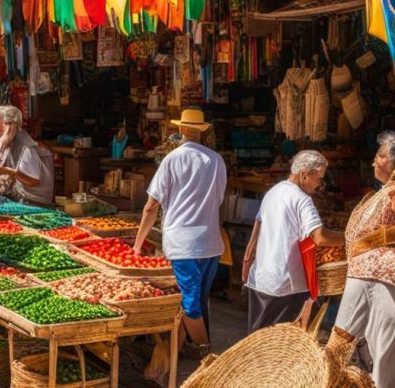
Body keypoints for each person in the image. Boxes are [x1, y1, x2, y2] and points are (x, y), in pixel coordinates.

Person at [133, 107, 227, 357]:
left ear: (182, 129)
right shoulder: (216, 160)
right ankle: (189, 346)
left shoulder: (172, 160)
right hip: (210, 243)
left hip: (183, 243)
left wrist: (137, 244)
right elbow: (218, 200)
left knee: (190, 304)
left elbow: (151, 206)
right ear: (201, 131)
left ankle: (207, 355)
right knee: (199, 297)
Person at [242, 151, 344, 332]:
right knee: (282, 344)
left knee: (258, 339)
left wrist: (248, 258)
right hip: (286, 284)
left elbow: (258, 224)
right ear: (305, 174)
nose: (319, 184)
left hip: (260, 278)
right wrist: (348, 236)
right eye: (318, 178)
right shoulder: (302, 199)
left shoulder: (273, 191)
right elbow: (319, 237)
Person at [335, 131, 395, 388]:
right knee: (343, 338)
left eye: (381, 156)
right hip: (362, 274)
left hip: (385, 276)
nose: (374, 161)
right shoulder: (382, 192)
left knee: (384, 343)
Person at [0, 105, 54, 204]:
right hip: (17, 197)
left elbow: (33, 181)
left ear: (10, 125)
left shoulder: (24, 146)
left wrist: (7, 171)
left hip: (34, 201)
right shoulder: (10, 142)